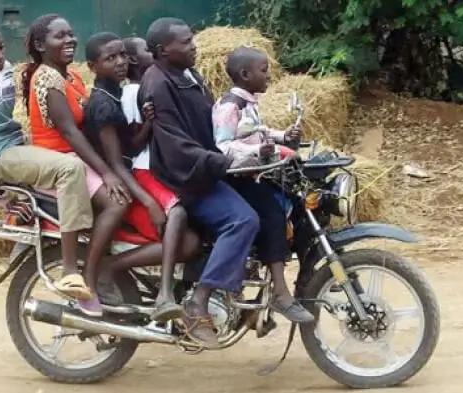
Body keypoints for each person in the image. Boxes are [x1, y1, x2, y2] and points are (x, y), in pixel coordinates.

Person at [0, 17, 95, 302]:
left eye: (1, 48)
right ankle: (69, 269)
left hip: (16, 142)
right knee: (70, 168)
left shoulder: (5, 72)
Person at [139, 17, 260, 347]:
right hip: (186, 179)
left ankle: (237, 290)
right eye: (186, 41)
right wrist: (221, 161)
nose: (194, 45)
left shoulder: (188, 74)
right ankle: (199, 301)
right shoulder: (157, 85)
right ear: (164, 50)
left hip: (205, 169)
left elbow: (213, 123)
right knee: (242, 219)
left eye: (192, 39)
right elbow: (175, 145)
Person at [82, 32, 200, 322]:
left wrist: (146, 124)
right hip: (127, 180)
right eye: (111, 58)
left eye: (122, 55)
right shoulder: (103, 104)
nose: (121, 62)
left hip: (131, 174)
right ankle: (126, 276)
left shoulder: (116, 94)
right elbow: (117, 163)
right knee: (182, 229)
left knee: (191, 234)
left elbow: (130, 146)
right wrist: (148, 202)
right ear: (92, 66)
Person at [21, 14, 133, 317]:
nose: (69, 40)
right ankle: (89, 281)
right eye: (60, 36)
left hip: (76, 157)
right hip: (60, 162)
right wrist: (108, 173)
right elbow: (70, 132)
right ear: (41, 44)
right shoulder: (46, 78)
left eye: (71, 34)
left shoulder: (71, 76)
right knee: (116, 202)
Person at [212, 46, 314, 323]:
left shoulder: (249, 102)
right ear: (245, 74)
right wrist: (259, 152)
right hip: (236, 179)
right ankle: (280, 293)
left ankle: (275, 289)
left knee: (292, 204)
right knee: (271, 215)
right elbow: (222, 148)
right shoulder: (229, 106)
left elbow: (258, 132)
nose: (269, 76)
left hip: (255, 173)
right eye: (264, 71)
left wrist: (283, 136)